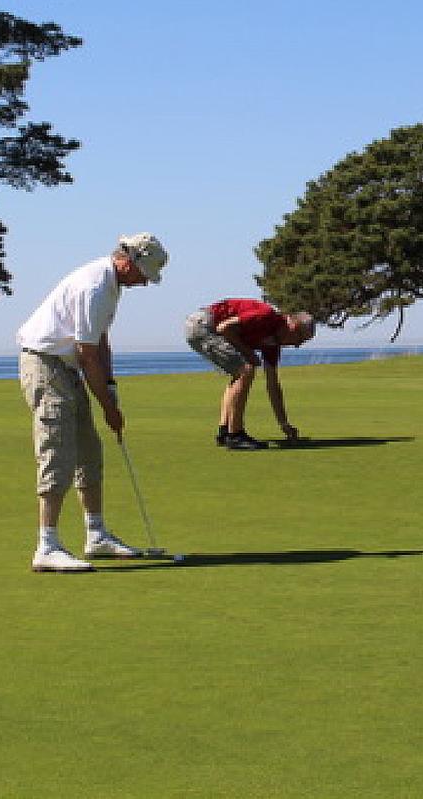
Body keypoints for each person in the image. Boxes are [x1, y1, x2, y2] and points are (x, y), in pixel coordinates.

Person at [17, 233, 169, 573]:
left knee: (88, 450)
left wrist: (111, 388)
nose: (145, 283)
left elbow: (100, 342)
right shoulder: (95, 286)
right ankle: (47, 545)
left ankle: (96, 534)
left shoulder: (111, 284)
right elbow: (87, 356)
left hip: (65, 366)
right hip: (45, 364)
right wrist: (109, 408)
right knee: (57, 451)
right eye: (143, 274)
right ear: (128, 261)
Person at [184, 298, 315, 450]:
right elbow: (224, 327)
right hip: (203, 325)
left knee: (239, 373)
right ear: (292, 326)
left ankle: (225, 432)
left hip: (205, 327)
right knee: (245, 370)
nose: (297, 345)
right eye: (300, 339)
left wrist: (283, 424)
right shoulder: (266, 316)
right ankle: (235, 435)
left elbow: (273, 385)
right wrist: (248, 353)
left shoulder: (272, 344)